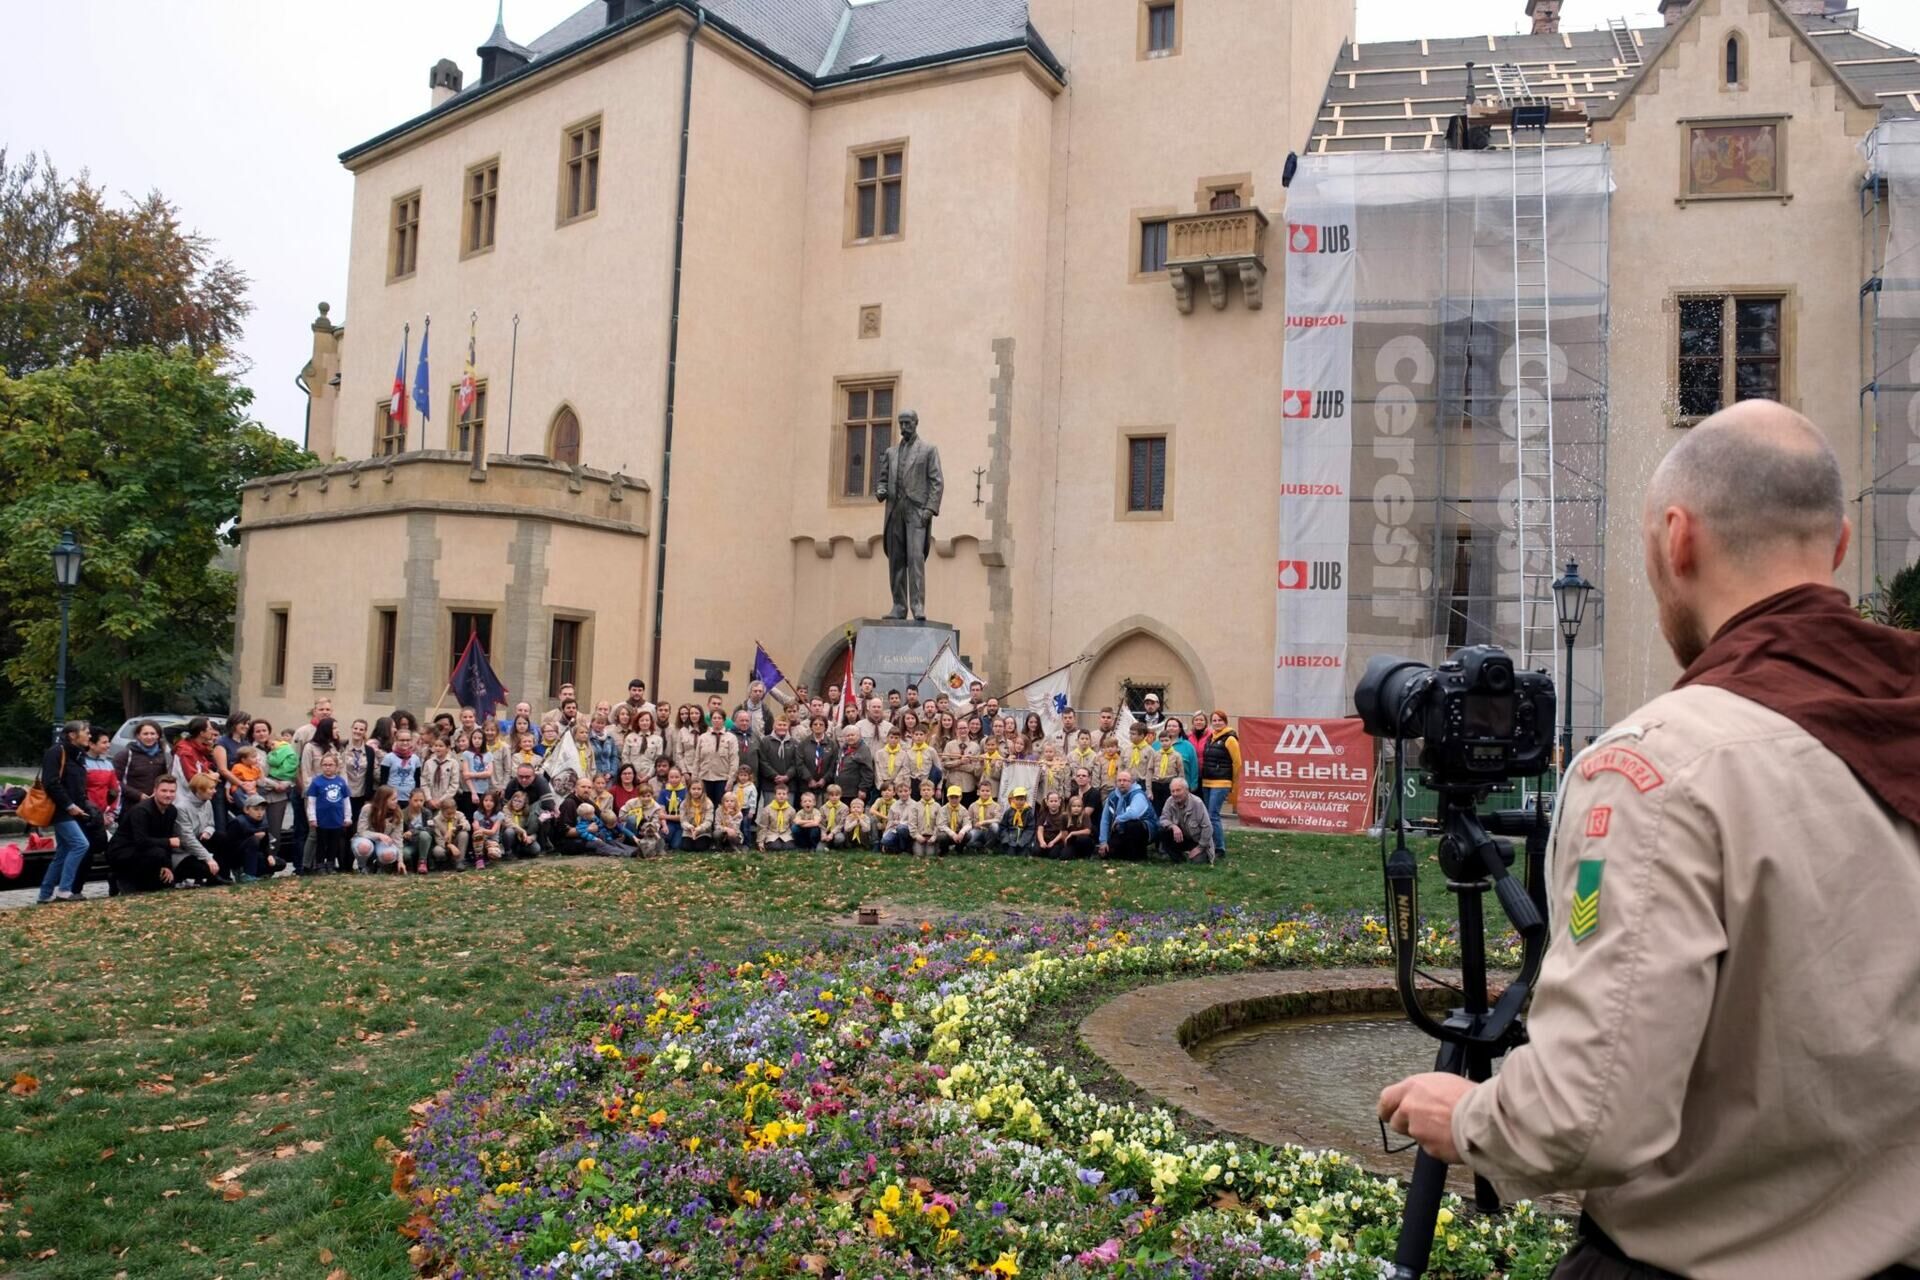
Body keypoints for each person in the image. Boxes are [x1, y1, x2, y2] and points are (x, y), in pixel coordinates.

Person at [1379, 401, 1920, 1280]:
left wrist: (1466, 1116)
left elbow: (1588, 1115)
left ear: (1678, 539)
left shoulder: (1659, 766)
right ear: (1840, 546)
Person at [34, 720, 95, 904]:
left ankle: (44, 894)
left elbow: (77, 784)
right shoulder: (56, 751)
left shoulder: (78, 754)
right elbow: (51, 782)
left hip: (73, 810)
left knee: (63, 851)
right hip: (60, 809)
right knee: (80, 844)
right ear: (72, 735)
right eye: (86, 732)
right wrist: (69, 805)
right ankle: (64, 890)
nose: (89, 735)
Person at [107, 775, 183, 892]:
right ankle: (120, 878)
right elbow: (141, 841)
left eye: (172, 791)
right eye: (164, 791)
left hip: (147, 851)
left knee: (165, 884)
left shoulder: (172, 811)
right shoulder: (141, 810)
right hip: (122, 851)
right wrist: (168, 842)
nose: (168, 795)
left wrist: (167, 866)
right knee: (157, 853)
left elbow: (165, 838)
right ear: (155, 791)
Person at [1198, 712, 1241, 859]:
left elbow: (1237, 763)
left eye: (1220, 720)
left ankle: (1219, 848)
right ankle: (1209, 844)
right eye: (1214, 720)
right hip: (1207, 781)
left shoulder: (1230, 739)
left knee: (1213, 815)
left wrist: (1232, 781)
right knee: (1207, 816)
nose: (1217, 723)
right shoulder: (1210, 738)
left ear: (1225, 721)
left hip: (1221, 782)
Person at [172, 773, 226, 885]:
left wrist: (208, 831)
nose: (215, 791)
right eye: (211, 788)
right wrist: (208, 858)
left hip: (200, 842)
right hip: (183, 851)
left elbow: (211, 824)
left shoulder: (207, 802)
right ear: (200, 790)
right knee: (204, 870)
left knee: (221, 837)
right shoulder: (181, 808)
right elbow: (187, 839)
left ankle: (223, 874)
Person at [306, 753, 354, 874]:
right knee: (321, 843)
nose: (328, 767)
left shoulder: (341, 782)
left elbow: (346, 801)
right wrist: (312, 818)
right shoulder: (316, 782)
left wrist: (348, 817)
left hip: (337, 820)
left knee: (334, 844)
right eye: (325, 765)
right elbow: (311, 802)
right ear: (321, 766)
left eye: (331, 765)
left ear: (336, 766)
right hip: (322, 820)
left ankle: (331, 864)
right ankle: (320, 865)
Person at [114, 719, 173, 808]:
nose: (149, 737)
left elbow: (164, 778)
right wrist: (138, 795)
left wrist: (159, 792)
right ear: (138, 735)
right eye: (145, 734)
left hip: (155, 804)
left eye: (152, 734)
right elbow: (115, 781)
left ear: (158, 735)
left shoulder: (162, 755)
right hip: (131, 805)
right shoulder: (126, 754)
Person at [1156, 777, 1214, 866]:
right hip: (1181, 838)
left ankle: (1195, 853)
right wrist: (1173, 826)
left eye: (1178, 790)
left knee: (1197, 862)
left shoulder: (1197, 803)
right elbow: (1163, 819)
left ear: (1186, 790)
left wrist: (1200, 847)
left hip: (1197, 841)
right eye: (1172, 791)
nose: (1175, 794)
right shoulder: (1170, 801)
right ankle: (1178, 858)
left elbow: (1207, 827)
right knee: (1162, 830)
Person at [1098, 770, 1154, 861]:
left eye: (1125, 780)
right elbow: (1105, 820)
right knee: (1107, 854)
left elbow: (1134, 813)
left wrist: (1118, 819)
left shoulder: (1138, 794)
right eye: (1119, 780)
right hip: (1121, 830)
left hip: (1144, 830)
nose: (1122, 783)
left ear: (1132, 782)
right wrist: (1103, 841)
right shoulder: (1112, 796)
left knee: (1132, 824)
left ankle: (1138, 855)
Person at [352, 787, 407, 874]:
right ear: (383, 800)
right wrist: (379, 835)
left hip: (383, 844)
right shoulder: (367, 809)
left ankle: (379, 865)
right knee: (364, 847)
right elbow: (361, 831)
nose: (396, 801)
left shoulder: (397, 814)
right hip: (365, 839)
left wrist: (400, 861)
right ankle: (362, 866)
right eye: (393, 799)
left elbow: (398, 839)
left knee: (389, 855)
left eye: (396, 798)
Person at [227, 791, 280, 881]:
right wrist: (252, 837)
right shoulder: (238, 822)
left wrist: (269, 855)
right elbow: (230, 846)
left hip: (256, 855)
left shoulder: (264, 823)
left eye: (262, 809)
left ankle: (261, 873)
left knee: (280, 863)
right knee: (254, 840)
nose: (260, 812)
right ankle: (246, 874)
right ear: (246, 810)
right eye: (256, 809)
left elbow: (266, 843)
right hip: (239, 857)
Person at [998, 786, 1037, 856]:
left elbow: (1030, 829)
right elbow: (1003, 827)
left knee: (1023, 853)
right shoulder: (1008, 812)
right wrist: (1006, 839)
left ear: (1025, 800)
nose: (1019, 802)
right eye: (1017, 799)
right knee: (1010, 853)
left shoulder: (1029, 812)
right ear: (1013, 800)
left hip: (1023, 839)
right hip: (1010, 839)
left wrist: (1022, 841)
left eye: (1021, 799)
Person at [757, 782, 797, 851]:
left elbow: (793, 825)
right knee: (775, 847)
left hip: (785, 834)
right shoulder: (767, 809)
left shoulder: (791, 810)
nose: (781, 796)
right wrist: (760, 842)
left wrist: (794, 838)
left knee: (789, 847)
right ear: (775, 796)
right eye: (779, 794)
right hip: (772, 833)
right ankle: (770, 844)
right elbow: (763, 826)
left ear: (787, 796)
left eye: (784, 794)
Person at [932, 784, 971, 855]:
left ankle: (959, 849)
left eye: (956, 797)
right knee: (941, 836)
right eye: (951, 797)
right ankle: (944, 850)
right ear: (947, 797)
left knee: (968, 835)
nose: (954, 800)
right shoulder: (943, 810)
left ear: (961, 797)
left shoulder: (964, 810)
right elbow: (941, 825)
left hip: (958, 833)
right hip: (947, 833)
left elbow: (968, 824)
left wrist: (962, 832)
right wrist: (952, 834)